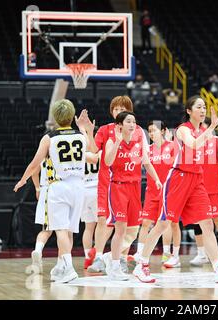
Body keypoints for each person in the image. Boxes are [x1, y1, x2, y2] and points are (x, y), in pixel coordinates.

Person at [132, 96, 218, 283]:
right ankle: (141, 264)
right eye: (199, 107)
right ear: (189, 111)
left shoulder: (203, 131)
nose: (203, 110)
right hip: (179, 178)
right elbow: (193, 144)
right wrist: (210, 129)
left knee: (207, 224)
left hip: (196, 180)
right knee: (163, 224)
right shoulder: (183, 129)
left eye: (204, 107)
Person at [14, 99, 94, 283]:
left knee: (59, 230)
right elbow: (90, 150)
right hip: (79, 186)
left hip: (59, 186)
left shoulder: (49, 138)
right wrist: (84, 128)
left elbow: (35, 164)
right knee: (70, 231)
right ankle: (60, 267)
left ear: (56, 117)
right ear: (71, 115)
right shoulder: (81, 136)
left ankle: (69, 268)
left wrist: (22, 179)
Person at [103, 111, 162, 280]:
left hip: (135, 188)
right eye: (128, 121)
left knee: (133, 229)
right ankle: (114, 265)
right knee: (120, 229)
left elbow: (147, 162)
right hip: (118, 188)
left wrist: (156, 179)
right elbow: (107, 162)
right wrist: (118, 142)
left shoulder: (138, 140)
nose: (132, 124)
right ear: (120, 125)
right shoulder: (112, 140)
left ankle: (110, 256)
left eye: (134, 121)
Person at [86, 96, 133, 274]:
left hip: (128, 184)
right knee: (102, 220)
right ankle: (98, 257)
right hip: (106, 182)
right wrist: (89, 133)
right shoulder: (105, 130)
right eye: (115, 109)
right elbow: (93, 151)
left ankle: (120, 258)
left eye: (122, 108)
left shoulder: (135, 131)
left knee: (126, 224)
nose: (117, 112)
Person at [131, 120, 181, 267]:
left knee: (171, 224)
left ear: (163, 131)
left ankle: (170, 255)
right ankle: (140, 253)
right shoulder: (147, 150)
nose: (151, 133)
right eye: (150, 131)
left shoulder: (172, 146)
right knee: (145, 222)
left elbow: (178, 164)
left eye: (154, 130)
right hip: (152, 192)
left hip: (170, 191)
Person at [190, 118, 218, 265]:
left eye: (202, 126)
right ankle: (202, 254)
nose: (199, 129)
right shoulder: (194, 142)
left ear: (210, 127)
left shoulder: (217, 141)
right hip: (199, 189)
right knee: (199, 222)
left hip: (216, 189)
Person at [81, 150, 100, 269]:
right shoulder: (100, 152)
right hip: (96, 189)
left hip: (83, 190)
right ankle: (97, 253)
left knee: (88, 228)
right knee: (102, 225)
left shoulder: (80, 152)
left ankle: (87, 258)